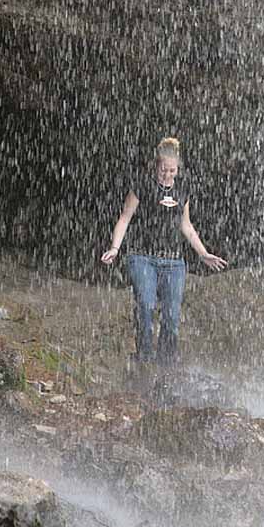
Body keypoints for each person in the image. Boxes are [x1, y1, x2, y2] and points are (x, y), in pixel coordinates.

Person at [101, 137, 227, 368]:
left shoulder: (182, 190)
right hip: (142, 257)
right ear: (155, 167)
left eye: (172, 171)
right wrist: (115, 248)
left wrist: (203, 253)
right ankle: (145, 358)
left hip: (173, 262)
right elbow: (125, 218)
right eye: (163, 171)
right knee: (146, 305)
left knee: (171, 316)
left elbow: (186, 226)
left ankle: (166, 364)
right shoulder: (142, 185)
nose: (168, 176)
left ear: (178, 169)